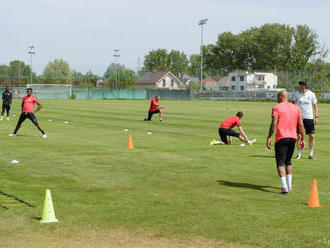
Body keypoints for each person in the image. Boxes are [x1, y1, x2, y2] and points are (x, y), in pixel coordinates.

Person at [267, 90, 305, 194]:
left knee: (280, 163)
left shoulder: (276, 107)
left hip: (281, 138)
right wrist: (303, 139)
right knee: (288, 161)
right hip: (293, 138)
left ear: (280, 97)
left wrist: (269, 137)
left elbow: (274, 123)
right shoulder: (296, 108)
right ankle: (289, 185)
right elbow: (301, 125)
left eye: (277, 96)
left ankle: (284, 187)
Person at [292, 81, 318, 160]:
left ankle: (311, 154)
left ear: (304, 87)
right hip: (299, 118)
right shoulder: (296, 94)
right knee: (299, 136)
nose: (298, 87)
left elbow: (315, 106)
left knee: (312, 136)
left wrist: (316, 116)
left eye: (299, 86)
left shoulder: (311, 94)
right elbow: (293, 104)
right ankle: (299, 154)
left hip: (309, 117)